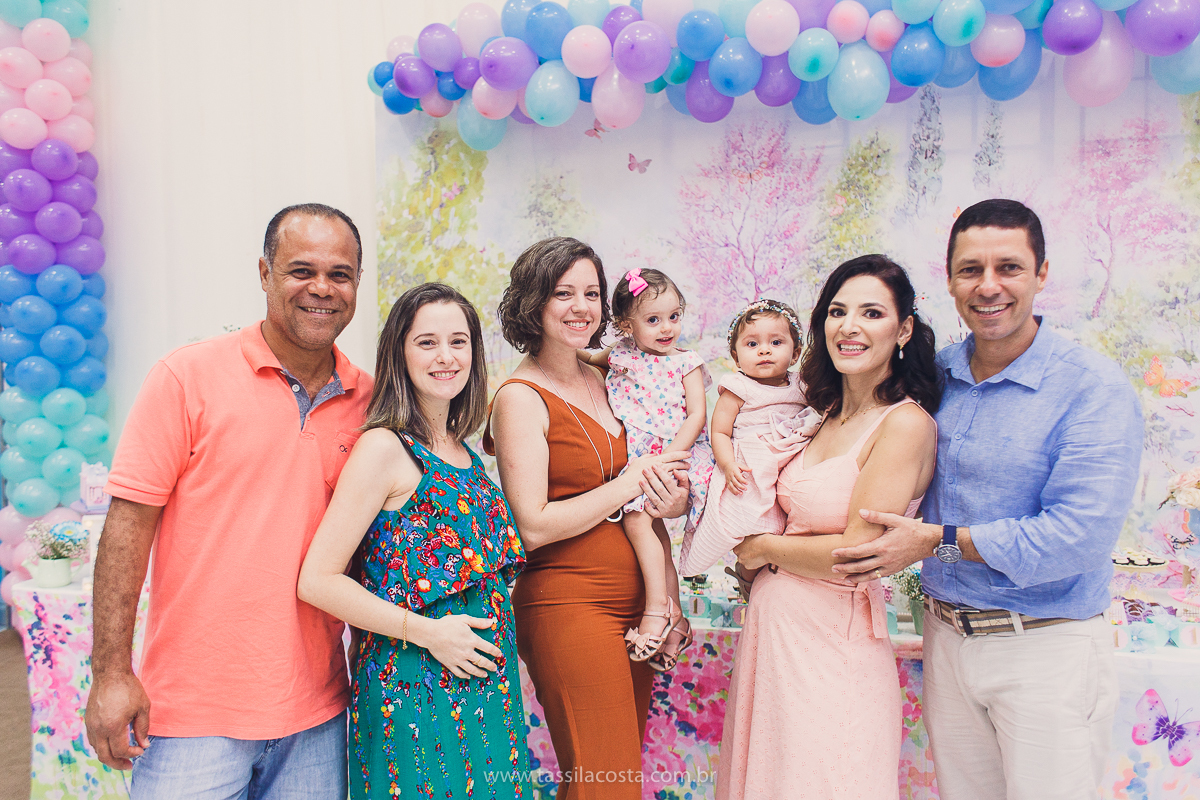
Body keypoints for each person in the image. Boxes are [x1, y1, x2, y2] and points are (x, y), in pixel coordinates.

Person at [831, 200, 1144, 800]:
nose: (989, 286)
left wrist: (939, 543)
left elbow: (1076, 538)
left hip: (1047, 646)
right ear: (949, 279)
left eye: (1010, 267)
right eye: (971, 269)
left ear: (1041, 274)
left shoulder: (1091, 389)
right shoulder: (932, 376)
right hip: (946, 639)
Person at [84, 204, 372, 799]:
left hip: (320, 714)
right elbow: (126, 530)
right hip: (194, 716)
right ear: (264, 273)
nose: (321, 288)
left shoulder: (370, 400)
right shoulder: (186, 377)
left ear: (357, 287)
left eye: (339, 274)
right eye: (301, 270)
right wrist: (111, 673)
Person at [717, 255, 941, 800]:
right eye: (837, 311)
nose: (850, 326)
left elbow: (857, 553)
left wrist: (760, 548)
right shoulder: (821, 411)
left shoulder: (904, 424)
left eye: (871, 312)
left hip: (832, 649)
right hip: (774, 640)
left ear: (903, 329)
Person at [298, 283, 531, 799]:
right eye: (426, 342)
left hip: (487, 687)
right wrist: (428, 633)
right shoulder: (384, 447)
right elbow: (317, 580)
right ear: (398, 353)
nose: (446, 357)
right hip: (414, 686)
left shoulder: (466, 454)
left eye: (459, 341)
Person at [485, 237, 690, 800]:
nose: (581, 306)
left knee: (611, 777)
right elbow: (534, 525)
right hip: (568, 602)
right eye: (563, 293)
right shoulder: (519, 396)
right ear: (533, 302)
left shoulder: (608, 377)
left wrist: (667, 598)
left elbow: (646, 504)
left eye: (592, 293)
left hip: (638, 607)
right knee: (608, 786)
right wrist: (629, 483)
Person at [582, 267, 715, 670]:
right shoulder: (620, 353)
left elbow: (696, 415)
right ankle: (676, 627)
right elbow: (584, 357)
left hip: (674, 453)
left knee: (639, 522)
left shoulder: (687, 362)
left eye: (674, 317)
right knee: (656, 536)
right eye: (653, 320)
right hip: (640, 456)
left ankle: (657, 608)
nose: (666, 328)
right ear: (626, 324)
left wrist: (671, 457)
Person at [679, 298, 819, 578]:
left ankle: (769, 570)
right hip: (749, 462)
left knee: (788, 519)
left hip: (787, 456)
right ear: (736, 356)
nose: (764, 350)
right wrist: (729, 465)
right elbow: (719, 431)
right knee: (749, 519)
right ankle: (746, 573)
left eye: (776, 343)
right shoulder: (737, 388)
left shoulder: (801, 384)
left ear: (795, 353)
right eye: (752, 344)